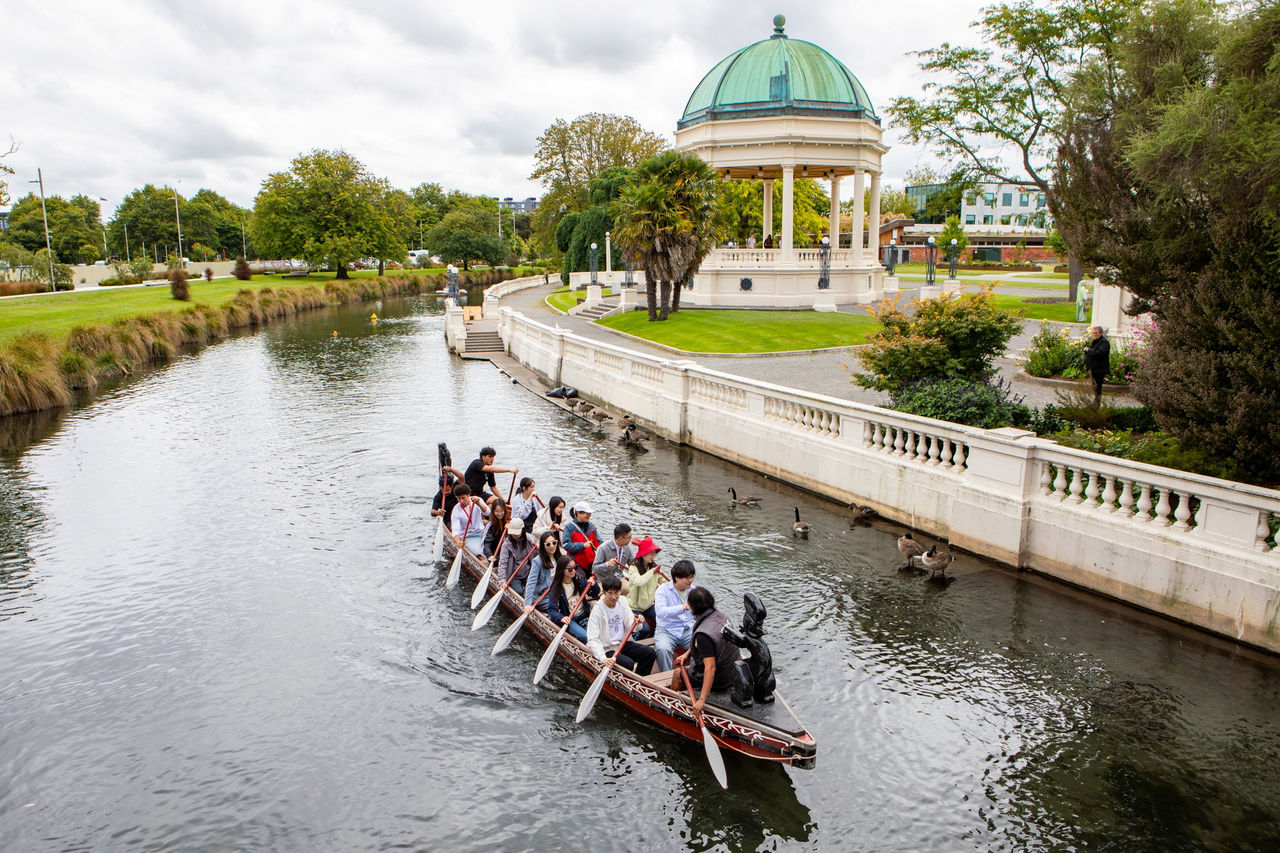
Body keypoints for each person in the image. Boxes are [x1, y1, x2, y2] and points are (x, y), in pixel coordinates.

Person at [674, 587, 738, 712]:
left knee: (677, 674)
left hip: (720, 678)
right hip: (733, 671)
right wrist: (686, 654)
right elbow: (709, 646)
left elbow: (710, 668)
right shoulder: (722, 616)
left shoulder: (703, 635)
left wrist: (701, 700)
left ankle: (674, 705)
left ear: (693, 609)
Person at [586, 576, 656, 675]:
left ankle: (640, 680)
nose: (614, 597)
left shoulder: (622, 601)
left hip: (623, 643)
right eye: (610, 593)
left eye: (616, 592)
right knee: (628, 664)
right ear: (604, 593)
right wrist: (603, 658)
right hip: (608, 648)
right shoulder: (598, 610)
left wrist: (637, 622)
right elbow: (593, 638)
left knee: (650, 653)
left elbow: (630, 625)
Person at [654, 559, 697, 672]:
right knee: (663, 650)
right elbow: (660, 612)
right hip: (667, 630)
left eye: (692, 577)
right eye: (688, 578)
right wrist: (682, 607)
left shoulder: (694, 591)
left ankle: (694, 674)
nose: (691, 580)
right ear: (677, 578)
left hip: (688, 629)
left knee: (701, 646)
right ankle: (666, 677)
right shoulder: (662, 590)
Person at [545, 555, 590, 643]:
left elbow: (595, 592)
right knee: (585, 637)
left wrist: (593, 584)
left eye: (575, 567)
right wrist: (561, 618)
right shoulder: (556, 587)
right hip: (570, 619)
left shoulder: (579, 579)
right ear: (562, 570)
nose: (573, 571)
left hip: (583, 616)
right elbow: (552, 610)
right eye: (569, 569)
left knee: (596, 636)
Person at [626, 537, 664, 638]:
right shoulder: (633, 567)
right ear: (643, 553)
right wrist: (652, 572)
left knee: (662, 619)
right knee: (644, 629)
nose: (653, 556)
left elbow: (663, 582)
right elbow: (638, 581)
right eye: (651, 553)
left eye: (654, 553)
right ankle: (635, 641)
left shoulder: (652, 566)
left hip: (648, 604)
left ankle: (656, 637)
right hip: (634, 606)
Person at [523, 529, 563, 612]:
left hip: (555, 593)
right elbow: (531, 583)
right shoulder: (537, 562)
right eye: (548, 544)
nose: (552, 546)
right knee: (557, 607)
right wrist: (527, 604)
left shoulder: (560, 558)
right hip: (541, 596)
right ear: (543, 546)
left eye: (554, 543)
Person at [495, 517, 534, 595]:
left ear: (522, 530)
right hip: (513, 576)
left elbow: (536, 539)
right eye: (513, 532)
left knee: (534, 588)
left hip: (527, 572)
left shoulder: (528, 539)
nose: (514, 535)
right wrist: (502, 581)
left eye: (517, 533)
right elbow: (502, 563)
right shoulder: (506, 545)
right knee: (519, 591)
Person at [592, 523, 635, 590]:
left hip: (619, 578)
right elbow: (594, 568)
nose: (631, 540)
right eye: (629, 538)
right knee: (602, 594)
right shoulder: (603, 548)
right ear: (621, 539)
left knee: (630, 590)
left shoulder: (627, 548)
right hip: (604, 579)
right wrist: (606, 565)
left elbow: (633, 563)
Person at [449, 483, 488, 554]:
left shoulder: (477, 500)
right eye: (459, 498)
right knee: (479, 553)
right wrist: (458, 542)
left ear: (468, 495)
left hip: (482, 532)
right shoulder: (456, 510)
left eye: (463, 498)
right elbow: (455, 530)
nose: (461, 501)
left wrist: (479, 503)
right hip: (467, 536)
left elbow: (488, 513)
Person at [562, 503, 601, 573]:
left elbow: (599, 542)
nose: (589, 515)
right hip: (576, 564)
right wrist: (583, 545)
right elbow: (566, 545)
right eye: (587, 513)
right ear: (578, 513)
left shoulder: (591, 527)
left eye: (590, 513)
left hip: (591, 563)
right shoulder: (569, 527)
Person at [430, 465, 465, 530]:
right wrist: (438, 512)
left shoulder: (456, 487)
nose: (445, 492)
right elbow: (432, 512)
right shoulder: (438, 496)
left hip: (461, 514)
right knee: (453, 527)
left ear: (451, 486)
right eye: (443, 490)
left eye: (447, 490)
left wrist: (451, 469)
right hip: (449, 519)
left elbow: (462, 477)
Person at [1084, 326, 1111, 407]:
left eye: (1096, 333)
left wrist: (1088, 350)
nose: (1095, 335)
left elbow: (1099, 353)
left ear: (1101, 333)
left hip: (1099, 369)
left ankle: (1097, 403)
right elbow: (1093, 352)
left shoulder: (1104, 342)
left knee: (1097, 386)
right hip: (1093, 368)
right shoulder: (1096, 341)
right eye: (1094, 333)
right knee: (1094, 386)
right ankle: (1095, 402)